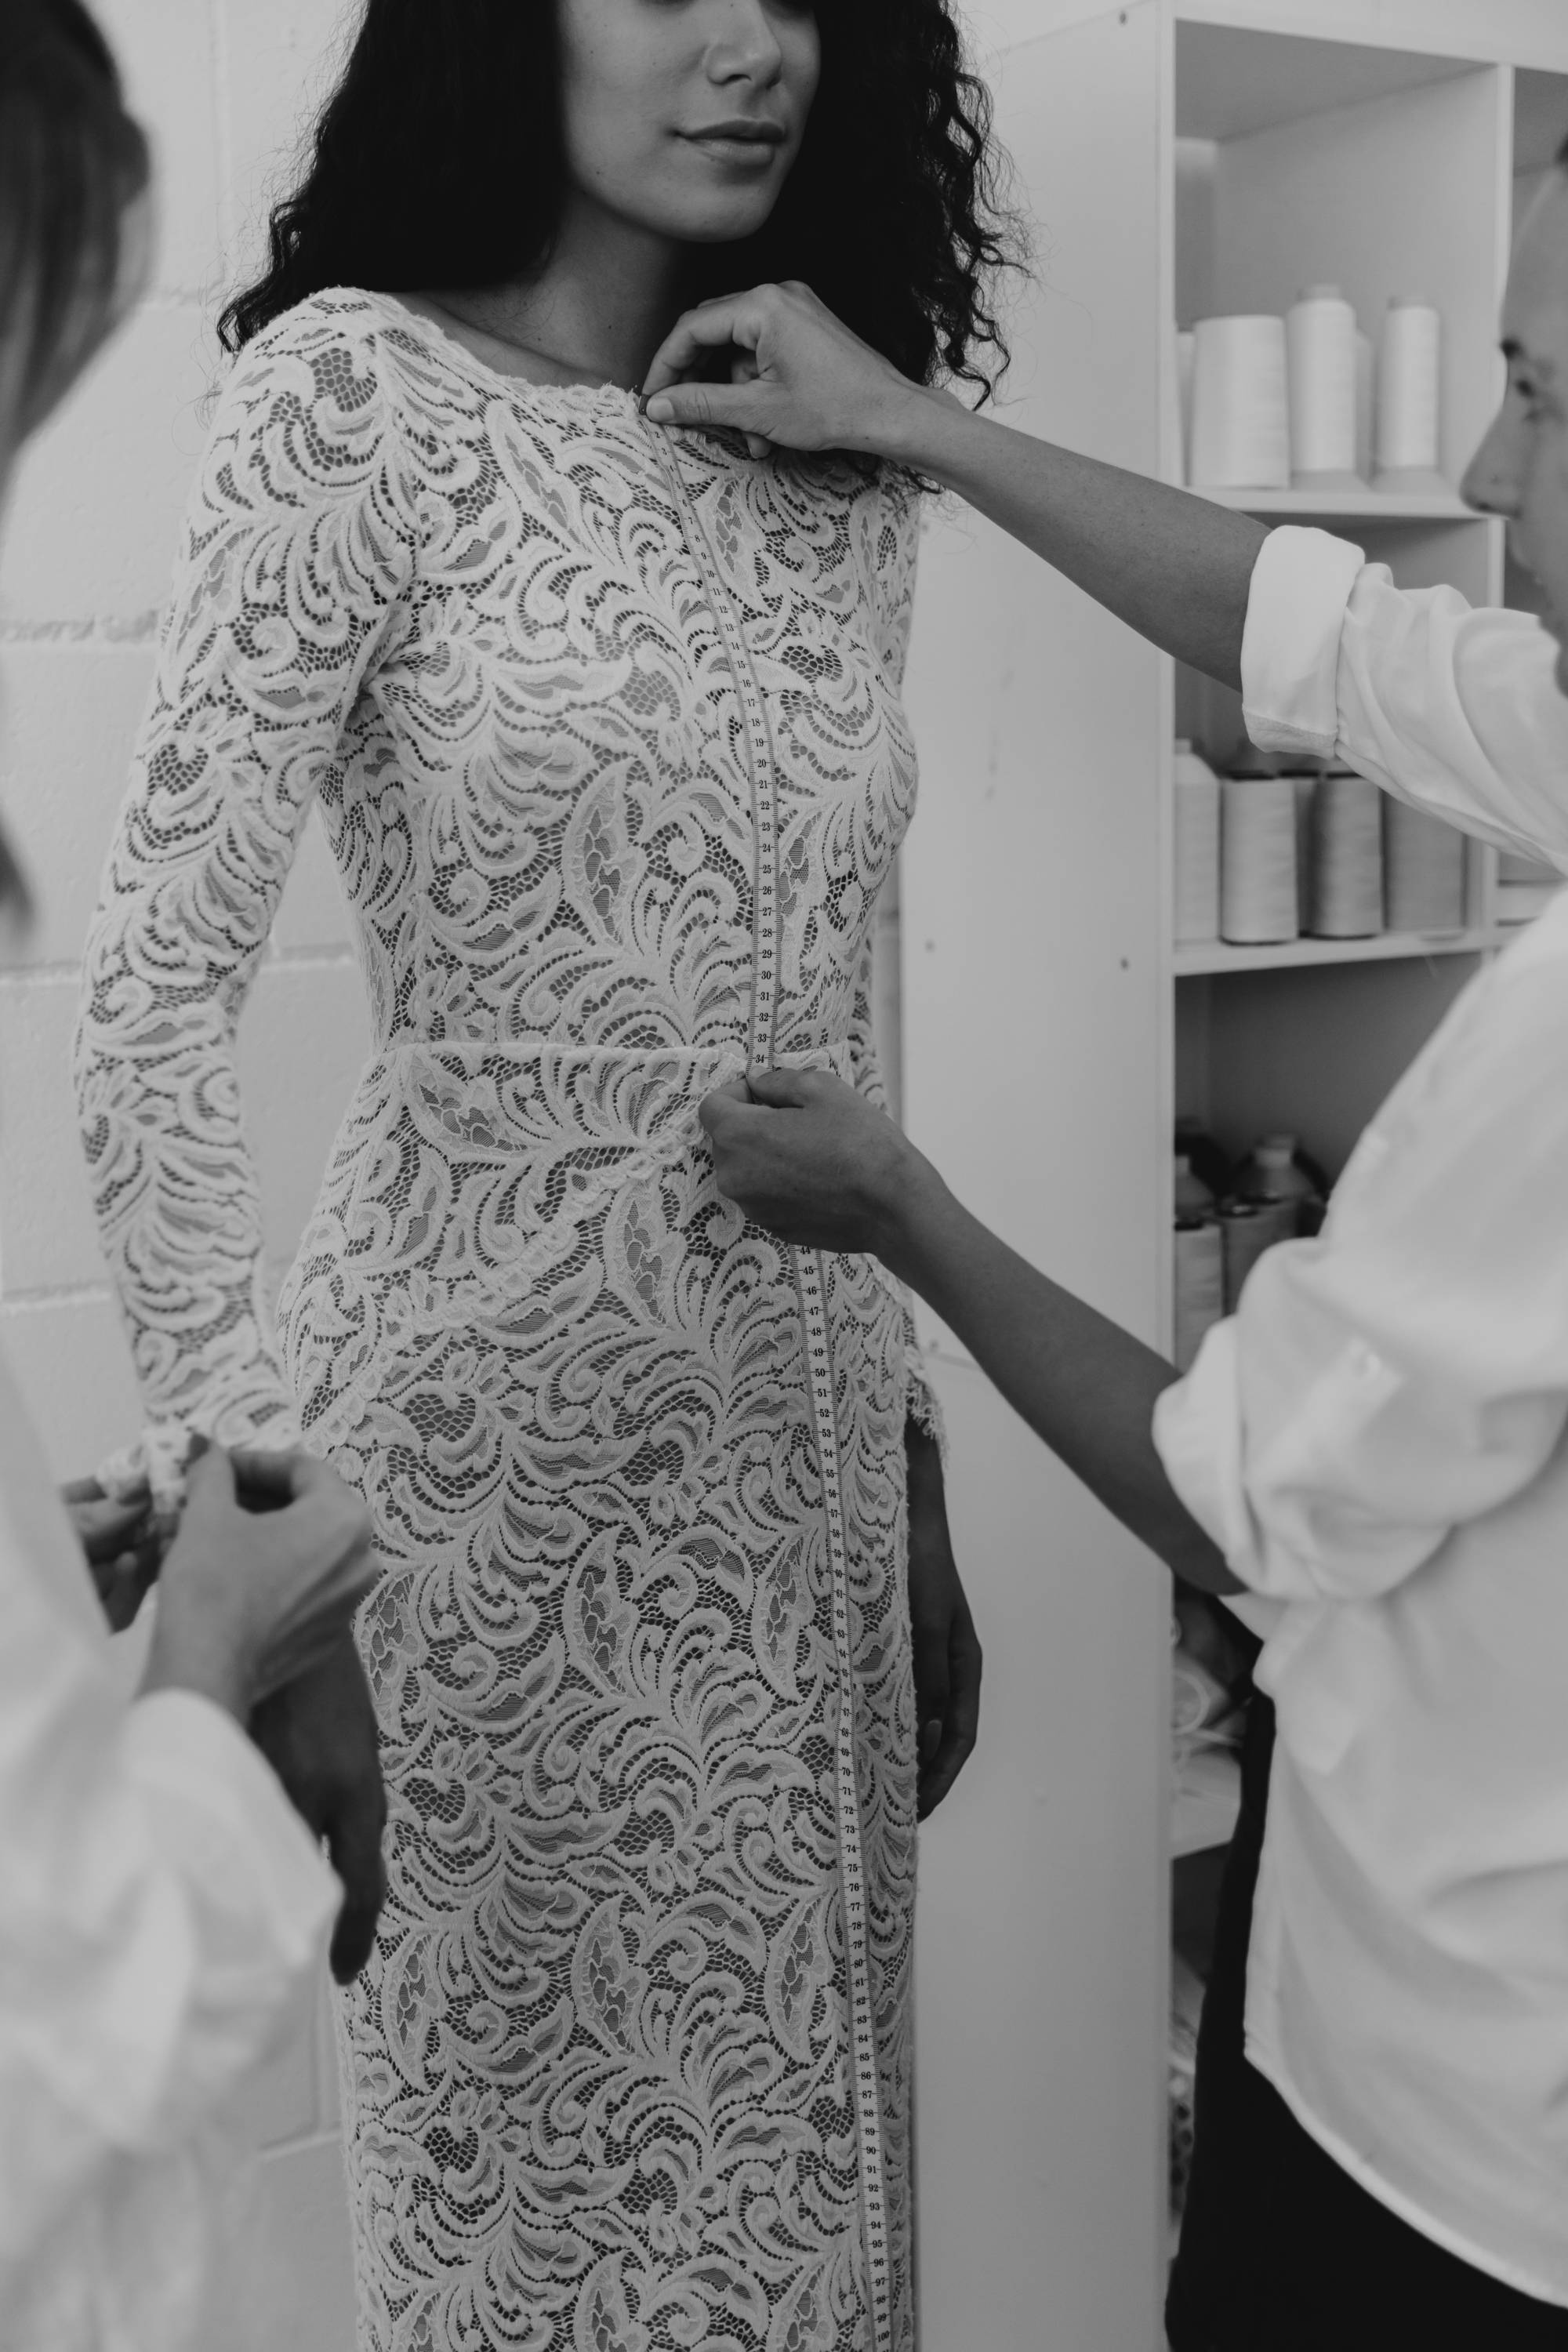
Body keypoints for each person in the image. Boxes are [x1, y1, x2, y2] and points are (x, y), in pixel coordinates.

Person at [72, 5, 1011, 2344]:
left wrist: (904, 1461)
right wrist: (253, 1558)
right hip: (475, 1528)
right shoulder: (354, 398)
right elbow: (150, 1007)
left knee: (815, 2232)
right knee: (549, 2266)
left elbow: (823, 1029)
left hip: (793, 1497)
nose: (743, 46)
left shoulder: (840, 466)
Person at [643, 155, 1568, 2352]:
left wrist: (902, 1214)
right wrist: (917, 425)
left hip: (1457, 2144)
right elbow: (1343, 640)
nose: (1477, 461)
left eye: (1540, 390)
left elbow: (1237, 1502)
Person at [0, 15, 389, 2347]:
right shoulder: (348, 401)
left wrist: (72, 1630)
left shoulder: (818, 452)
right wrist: (225, 1640)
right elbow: (60, 2037)